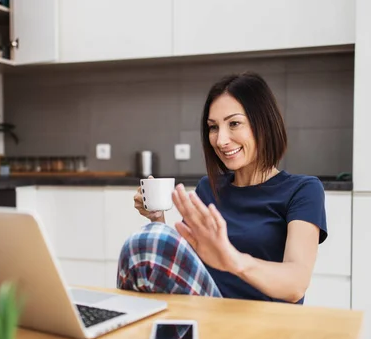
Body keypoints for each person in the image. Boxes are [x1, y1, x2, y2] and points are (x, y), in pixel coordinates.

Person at [117, 72, 327, 304]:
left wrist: (232, 259)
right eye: (213, 127)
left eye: (234, 123)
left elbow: (296, 283)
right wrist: (157, 219)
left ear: (264, 124)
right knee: (145, 241)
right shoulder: (209, 188)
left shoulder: (303, 190)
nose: (220, 140)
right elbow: (187, 266)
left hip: (265, 325)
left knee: (149, 240)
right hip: (207, 315)